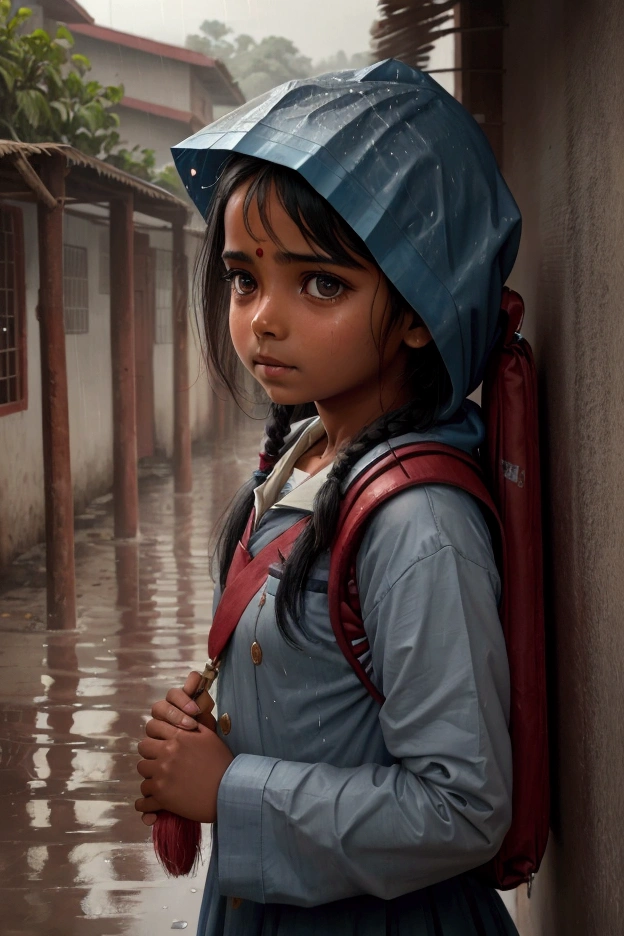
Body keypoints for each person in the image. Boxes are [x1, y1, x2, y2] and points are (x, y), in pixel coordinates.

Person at [135, 59, 522, 935]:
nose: (263, 319)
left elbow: (463, 808)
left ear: (422, 308)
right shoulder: (306, 459)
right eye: (244, 278)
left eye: (321, 284)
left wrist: (228, 787)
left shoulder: (419, 524)